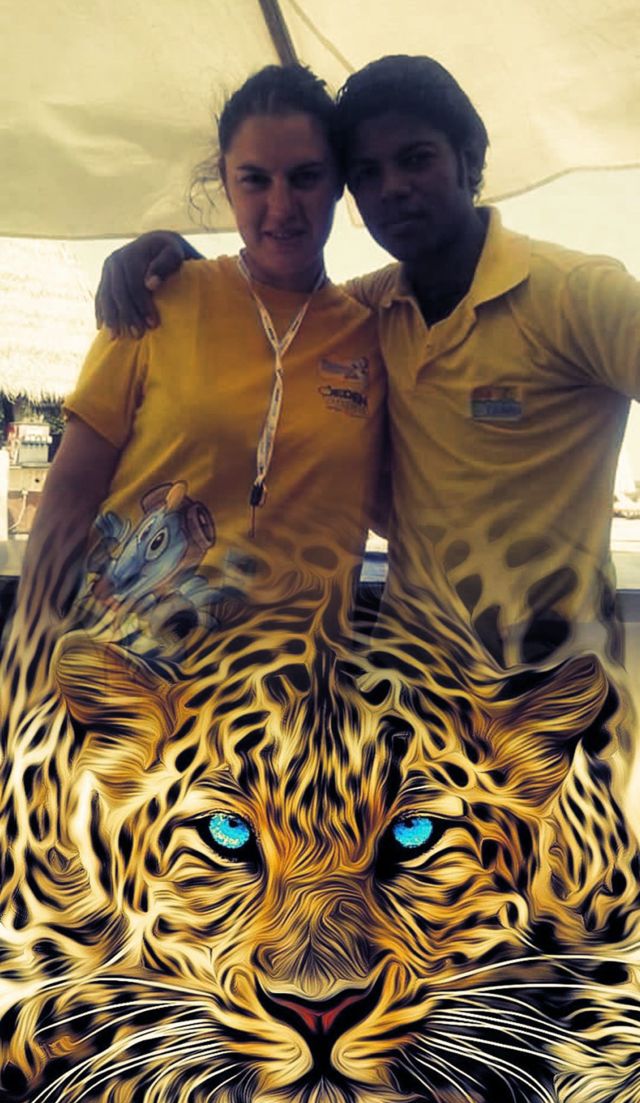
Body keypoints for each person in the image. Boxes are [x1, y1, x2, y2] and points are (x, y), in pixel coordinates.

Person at [97, 54, 640, 682]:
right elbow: (268, 304)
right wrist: (174, 258)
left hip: (552, 692)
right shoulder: (369, 311)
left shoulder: (576, 294)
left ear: (469, 161)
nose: (392, 188)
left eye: (416, 159)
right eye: (367, 172)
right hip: (412, 689)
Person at [1, 64, 387, 699]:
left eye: (305, 177)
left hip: (288, 710)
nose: (281, 206)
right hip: (122, 690)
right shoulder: (157, 300)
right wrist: (26, 656)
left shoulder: (373, 334)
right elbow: (68, 495)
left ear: (338, 181)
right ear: (226, 185)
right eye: (255, 180)